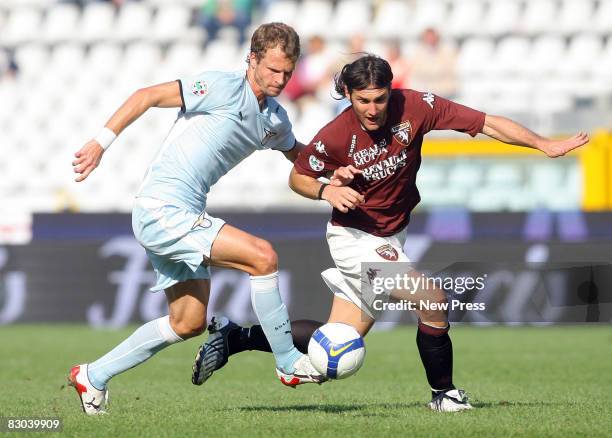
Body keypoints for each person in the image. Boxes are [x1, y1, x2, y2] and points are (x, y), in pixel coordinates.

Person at [191, 54, 589, 411]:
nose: (373, 109)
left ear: (390, 91)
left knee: (338, 346)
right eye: (363, 100)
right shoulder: (335, 135)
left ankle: (235, 338)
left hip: (390, 237)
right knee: (431, 298)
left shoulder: (415, 107)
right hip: (354, 240)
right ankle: (444, 395)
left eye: (380, 99)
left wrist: (543, 144)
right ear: (348, 93)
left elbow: (485, 123)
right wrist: (328, 189)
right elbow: (298, 178)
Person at [67, 22, 324, 416]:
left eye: (287, 72)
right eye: (272, 70)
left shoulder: (274, 120)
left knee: (187, 322)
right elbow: (147, 95)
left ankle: (93, 376)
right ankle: (288, 362)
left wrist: (335, 168)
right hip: (161, 208)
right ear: (252, 59)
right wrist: (100, 144)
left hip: (184, 213)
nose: (280, 79)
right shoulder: (222, 87)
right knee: (263, 257)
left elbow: (298, 154)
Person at [409, 27, 458, 99]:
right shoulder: (418, 53)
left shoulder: (447, 51)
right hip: (424, 88)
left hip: (444, 90)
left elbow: (446, 70)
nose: (430, 39)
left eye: (432, 37)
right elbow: (417, 71)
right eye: (427, 37)